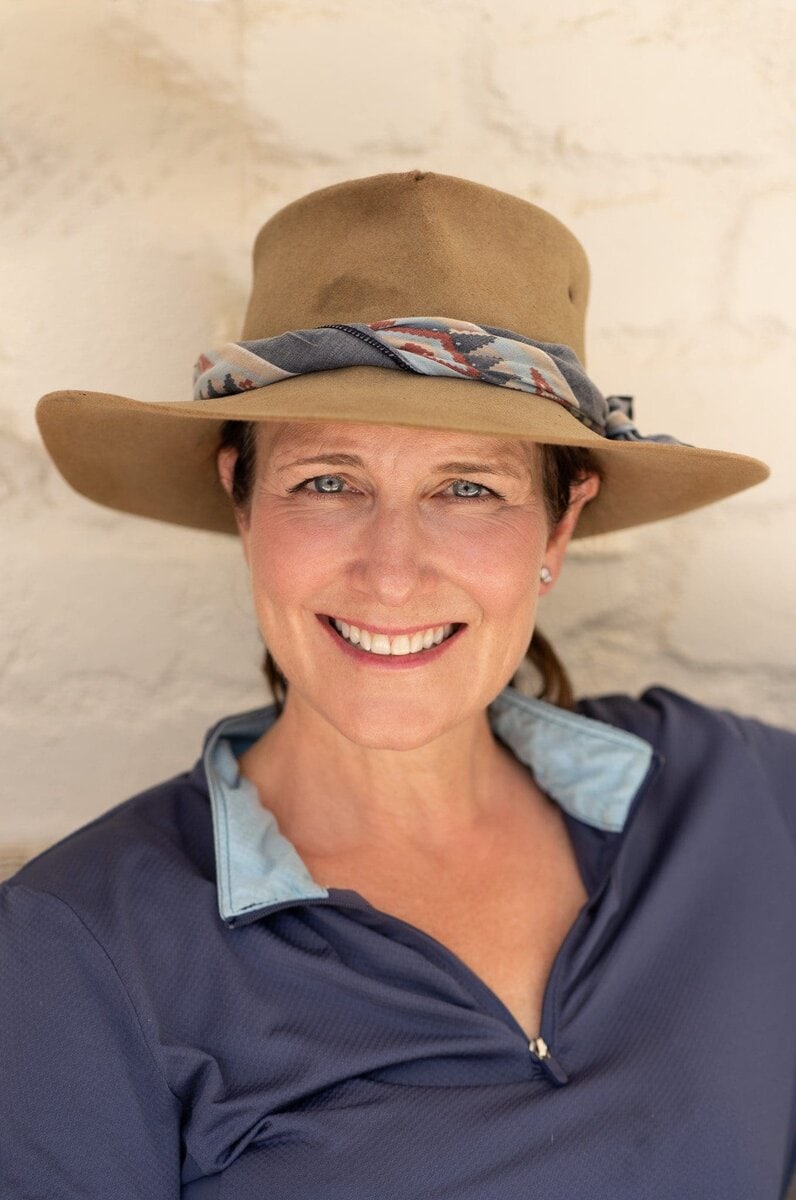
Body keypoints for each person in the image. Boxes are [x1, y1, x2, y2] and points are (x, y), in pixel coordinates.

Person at [2, 170, 794, 1199]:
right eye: (328, 481)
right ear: (240, 497)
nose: (390, 571)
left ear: (560, 524)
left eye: (467, 489)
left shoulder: (733, 795)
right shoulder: (76, 952)